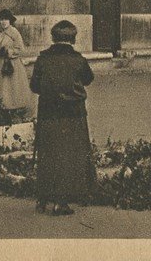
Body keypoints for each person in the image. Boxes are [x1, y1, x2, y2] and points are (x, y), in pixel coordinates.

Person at [30, 20, 96, 216]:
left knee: (48, 153)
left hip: (48, 113)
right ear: (73, 39)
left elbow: (34, 86)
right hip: (73, 115)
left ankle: (42, 199)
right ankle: (61, 202)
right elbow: (88, 79)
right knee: (69, 156)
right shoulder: (79, 60)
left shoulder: (42, 59)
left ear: (53, 37)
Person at [0, 9, 33, 118]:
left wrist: (9, 51)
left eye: (6, 19)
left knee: (13, 86)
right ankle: (4, 108)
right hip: (1, 64)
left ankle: (15, 109)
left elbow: (21, 49)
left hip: (13, 65)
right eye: (1, 19)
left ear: (10, 20)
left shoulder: (14, 32)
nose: (3, 22)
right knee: (3, 88)